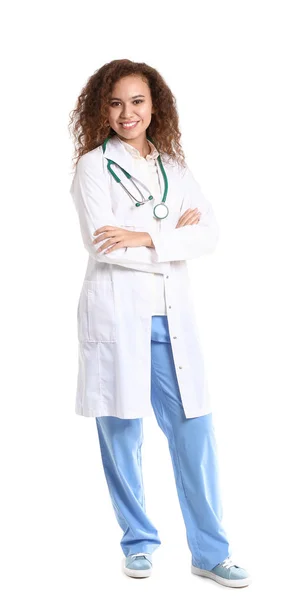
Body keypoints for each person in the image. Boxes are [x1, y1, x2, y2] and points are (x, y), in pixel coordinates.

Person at [68, 58, 252, 588]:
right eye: (116, 102)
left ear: (155, 106)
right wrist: (172, 232)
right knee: (122, 433)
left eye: (138, 101)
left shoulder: (174, 166)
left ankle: (211, 551)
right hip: (118, 316)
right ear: (102, 109)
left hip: (171, 319)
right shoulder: (92, 167)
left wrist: (146, 235)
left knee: (195, 431)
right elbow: (103, 244)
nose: (128, 112)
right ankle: (139, 542)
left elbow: (211, 234)